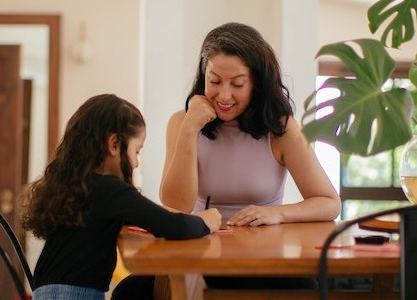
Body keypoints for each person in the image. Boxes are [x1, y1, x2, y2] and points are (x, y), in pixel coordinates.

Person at [115, 22, 342, 297]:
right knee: (130, 292)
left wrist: (276, 213)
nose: (224, 95)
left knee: (305, 289)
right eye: (214, 81)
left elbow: (329, 203)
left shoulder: (280, 128)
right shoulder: (181, 122)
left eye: (237, 84)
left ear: (257, 83)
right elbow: (176, 204)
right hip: (199, 255)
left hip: (262, 260)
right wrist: (189, 128)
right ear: (203, 77)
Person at [21, 94, 222, 300]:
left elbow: (149, 214)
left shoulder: (79, 187)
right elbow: (175, 227)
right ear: (114, 144)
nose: (136, 163)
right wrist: (206, 221)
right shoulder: (109, 189)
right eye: (137, 150)